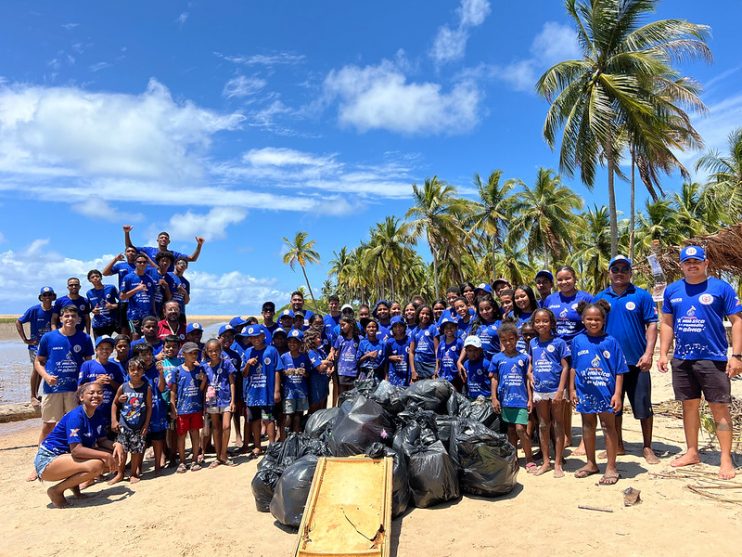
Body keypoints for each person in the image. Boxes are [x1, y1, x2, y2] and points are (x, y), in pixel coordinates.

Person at [658, 245, 742, 480]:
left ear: (706, 263)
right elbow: (666, 323)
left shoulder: (720, 288)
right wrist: (663, 353)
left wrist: (737, 355)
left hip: (713, 358)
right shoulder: (673, 290)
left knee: (719, 408)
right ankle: (692, 452)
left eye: (697, 261)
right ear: (681, 265)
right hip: (683, 358)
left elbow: (737, 321)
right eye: (687, 262)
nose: (692, 265)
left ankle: (725, 458)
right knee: (689, 406)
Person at [594, 255, 660, 464]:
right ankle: (618, 445)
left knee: (643, 405)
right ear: (610, 272)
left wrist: (649, 353)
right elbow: (594, 327)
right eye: (615, 269)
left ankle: (647, 447)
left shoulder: (641, 296)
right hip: (610, 365)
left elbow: (651, 324)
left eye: (624, 268)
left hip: (637, 361)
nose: (620, 272)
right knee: (614, 407)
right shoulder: (601, 298)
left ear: (631, 272)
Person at [33, 382, 119, 508]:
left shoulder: (98, 414)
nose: (96, 395)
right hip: (48, 460)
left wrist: (117, 445)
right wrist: (105, 455)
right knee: (97, 465)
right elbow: (76, 451)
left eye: (100, 393)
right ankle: (56, 491)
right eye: (91, 393)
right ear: (81, 397)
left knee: (114, 456)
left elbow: (102, 440)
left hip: (65, 457)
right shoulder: (76, 416)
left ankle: (75, 488)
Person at [570, 301, 627, 485]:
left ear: (603, 320)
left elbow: (619, 370)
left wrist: (617, 394)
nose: (593, 322)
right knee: (587, 425)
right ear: (582, 320)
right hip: (585, 392)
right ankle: (591, 463)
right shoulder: (578, 341)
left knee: (608, 427)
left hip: (606, 392)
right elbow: (573, 368)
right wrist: (572, 389)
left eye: (597, 319)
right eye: (589, 319)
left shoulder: (611, 342)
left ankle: (611, 467)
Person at [35, 305, 94, 456]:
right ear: (60, 318)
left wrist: (86, 385)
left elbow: (88, 363)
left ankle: (73, 454)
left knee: (75, 424)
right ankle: (41, 456)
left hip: (75, 390)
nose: (70, 319)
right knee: (49, 425)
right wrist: (46, 377)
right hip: (52, 389)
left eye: (73, 316)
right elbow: (38, 362)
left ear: (78, 319)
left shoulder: (85, 338)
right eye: (66, 316)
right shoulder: (48, 337)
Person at [529, 308, 570, 477]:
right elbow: (531, 364)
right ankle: (546, 461)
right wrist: (529, 373)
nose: (541, 324)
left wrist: (561, 390)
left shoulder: (559, 343)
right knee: (543, 425)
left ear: (551, 323)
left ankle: (558, 463)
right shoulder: (532, 343)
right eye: (537, 321)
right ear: (533, 324)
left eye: (545, 321)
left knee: (558, 424)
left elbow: (566, 367)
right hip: (540, 390)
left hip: (555, 390)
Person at [490, 322, 535, 471]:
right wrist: (494, 398)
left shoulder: (524, 357)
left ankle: (529, 458)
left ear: (517, 339)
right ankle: (514, 458)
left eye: (511, 339)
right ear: (500, 341)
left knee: (521, 429)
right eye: (504, 340)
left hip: (521, 399)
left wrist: (530, 399)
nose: (508, 342)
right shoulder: (497, 358)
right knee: (510, 430)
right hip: (505, 400)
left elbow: (528, 380)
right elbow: (495, 379)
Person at [242, 325, 283, 459]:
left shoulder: (271, 351)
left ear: (263, 336)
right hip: (253, 393)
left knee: (269, 419)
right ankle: (257, 446)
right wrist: (248, 364)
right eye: (252, 337)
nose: (255, 339)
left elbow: (277, 370)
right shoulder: (248, 352)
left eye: (258, 336)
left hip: (267, 392)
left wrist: (276, 391)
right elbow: (244, 374)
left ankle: (271, 446)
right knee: (255, 420)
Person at [109, 359, 152, 484]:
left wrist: (146, 425)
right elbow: (115, 403)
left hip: (138, 426)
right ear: (127, 371)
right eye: (132, 370)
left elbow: (149, 407)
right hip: (124, 425)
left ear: (143, 371)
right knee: (122, 450)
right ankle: (120, 473)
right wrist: (114, 420)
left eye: (138, 369)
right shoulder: (123, 387)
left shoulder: (146, 388)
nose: (135, 372)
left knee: (136, 451)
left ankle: (133, 473)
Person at [77, 335, 125, 435]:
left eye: (108, 348)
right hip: (91, 409)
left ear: (112, 350)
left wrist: (111, 381)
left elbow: (121, 388)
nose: (104, 351)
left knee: (106, 436)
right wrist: (96, 383)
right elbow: (79, 388)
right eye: (101, 348)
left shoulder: (115, 367)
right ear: (96, 350)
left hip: (108, 409)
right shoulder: (87, 365)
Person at [170, 342, 207, 472]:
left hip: (196, 408)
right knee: (181, 435)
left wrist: (203, 381)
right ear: (183, 354)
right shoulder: (177, 370)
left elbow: (201, 390)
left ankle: (194, 460)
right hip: (182, 408)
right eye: (190, 353)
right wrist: (173, 407)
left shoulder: (199, 369)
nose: (194, 355)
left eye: (196, 353)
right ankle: (182, 461)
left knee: (195, 433)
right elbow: (173, 391)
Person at [17, 286, 56, 405]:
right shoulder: (33, 310)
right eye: (45, 295)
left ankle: (39, 394)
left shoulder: (56, 310)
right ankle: (32, 396)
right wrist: (25, 339)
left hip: (50, 346)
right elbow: (19, 321)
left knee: (43, 371)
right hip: (35, 346)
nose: (47, 297)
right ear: (41, 298)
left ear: (53, 296)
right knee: (36, 368)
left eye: (49, 294)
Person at [203, 339, 237, 467]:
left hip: (226, 399)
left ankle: (224, 454)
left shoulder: (227, 364)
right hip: (212, 402)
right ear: (206, 351)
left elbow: (232, 382)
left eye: (216, 350)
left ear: (220, 350)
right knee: (216, 428)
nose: (213, 353)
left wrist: (233, 400)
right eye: (210, 351)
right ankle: (218, 456)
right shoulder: (204, 367)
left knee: (226, 426)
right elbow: (204, 384)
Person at [123, 224, 204, 273]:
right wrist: (127, 233)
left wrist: (199, 245)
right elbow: (129, 247)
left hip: (167, 282)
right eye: (161, 237)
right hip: (151, 280)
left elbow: (192, 258)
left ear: (169, 241)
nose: (164, 239)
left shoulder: (173, 254)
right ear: (157, 240)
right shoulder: (148, 250)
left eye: (166, 238)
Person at [280, 330, 311, 438]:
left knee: (298, 414)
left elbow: (308, 373)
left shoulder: (304, 357)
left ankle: (296, 437)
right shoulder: (284, 357)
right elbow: (280, 373)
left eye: (295, 342)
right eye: (290, 341)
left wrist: (303, 372)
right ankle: (285, 438)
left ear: (300, 343)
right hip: (289, 392)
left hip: (301, 391)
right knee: (288, 414)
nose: (292, 344)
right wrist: (286, 372)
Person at [120, 254, 157, 338]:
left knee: (150, 336)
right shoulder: (128, 278)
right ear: (135, 263)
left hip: (148, 314)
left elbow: (152, 298)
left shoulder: (149, 279)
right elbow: (122, 297)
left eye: (144, 262)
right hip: (134, 315)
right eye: (139, 262)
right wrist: (137, 289)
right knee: (135, 336)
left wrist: (154, 313)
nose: (142, 264)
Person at [102, 247, 138, 334]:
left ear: (136, 254)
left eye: (133, 251)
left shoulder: (140, 265)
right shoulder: (120, 265)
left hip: (137, 300)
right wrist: (115, 259)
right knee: (124, 326)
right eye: (128, 251)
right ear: (125, 254)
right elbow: (105, 273)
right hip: (124, 300)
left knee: (136, 327)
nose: (130, 253)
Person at [330, 316, 360, 399]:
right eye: (340, 325)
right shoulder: (340, 338)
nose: (342, 327)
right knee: (342, 397)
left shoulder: (359, 339)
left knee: (352, 398)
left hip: (354, 373)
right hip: (342, 372)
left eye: (343, 325)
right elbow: (335, 351)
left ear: (351, 324)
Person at [306, 329, 333, 413]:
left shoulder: (320, 351)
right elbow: (320, 368)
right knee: (314, 405)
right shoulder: (310, 352)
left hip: (323, 381)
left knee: (322, 404)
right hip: (315, 383)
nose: (320, 340)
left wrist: (324, 363)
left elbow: (330, 363)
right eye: (317, 338)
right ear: (312, 339)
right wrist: (326, 362)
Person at [85, 270, 119, 338]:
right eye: (92, 277)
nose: (95, 278)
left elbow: (123, 301)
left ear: (101, 277)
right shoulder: (89, 293)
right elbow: (91, 308)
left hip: (114, 322)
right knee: (100, 346)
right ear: (89, 280)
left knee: (125, 339)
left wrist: (113, 306)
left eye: (97, 276)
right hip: (99, 324)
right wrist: (93, 311)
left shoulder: (111, 288)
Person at [409, 305, 438, 380]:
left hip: (431, 364)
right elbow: (411, 352)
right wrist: (413, 371)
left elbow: (437, 349)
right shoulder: (414, 331)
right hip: (418, 364)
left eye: (427, 314)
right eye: (422, 313)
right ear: (418, 314)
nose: (424, 316)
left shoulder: (433, 328)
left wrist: (437, 367)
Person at [385, 316, 412, 387]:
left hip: (407, 374)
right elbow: (385, 358)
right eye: (395, 326)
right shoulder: (390, 342)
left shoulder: (409, 340)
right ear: (392, 329)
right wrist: (391, 357)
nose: (398, 328)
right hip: (393, 374)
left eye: (400, 326)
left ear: (404, 327)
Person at [461, 336, 491, 400]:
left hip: (485, 399)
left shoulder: (486, 363)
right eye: (470, 350)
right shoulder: (466, 364)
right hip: (471, 398)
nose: (472, 353)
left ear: (480, 350)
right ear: (466, 351)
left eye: (475, 350)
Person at [436, 318, 463, 388]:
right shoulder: (441, 344)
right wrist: (436, 370)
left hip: (456, 376)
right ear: (443, 330)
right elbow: (438, 359)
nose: (449, 329)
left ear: (456, 328)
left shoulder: (459, 342)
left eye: (451, 327)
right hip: (443, 375)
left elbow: (463, 357)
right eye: (446, 328)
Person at [147, 251, 175, 318]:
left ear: (170, 263)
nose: (165, 263)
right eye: (163, 261)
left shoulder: (170, 279)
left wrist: (166, 286)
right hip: (146, 308)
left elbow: (169, 298)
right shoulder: (149, 272)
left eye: (167, 261)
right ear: (158, 262)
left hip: (159, 311)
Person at [358, 318, 385, 382]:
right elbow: (358, 361)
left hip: (378, 373)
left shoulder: (382, 344)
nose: (371, 329)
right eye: (369, 327)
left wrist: (386, 377)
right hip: (364, 373)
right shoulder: (362, 343)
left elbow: (385, 363)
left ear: (377, 329)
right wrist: (367, 355)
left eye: (373, 327)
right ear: (365, 330)